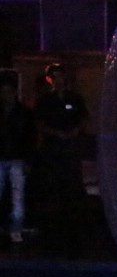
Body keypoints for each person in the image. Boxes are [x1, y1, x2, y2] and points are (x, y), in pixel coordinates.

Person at [34, 63, 90, 254]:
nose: (58, 80)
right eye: (54, 77)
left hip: (71, 149)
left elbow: (83, 118)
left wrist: (75, 131)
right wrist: (56, 133)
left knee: (73, 185)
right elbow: (40, 123)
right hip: (53, 149)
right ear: (50, 79)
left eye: (60, 76)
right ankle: (54, 228)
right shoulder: (44, 101)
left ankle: (75, 226)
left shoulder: (75, 98)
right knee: (53, 186)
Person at [0, 71, 36, 243]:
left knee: (17, 194)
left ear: (14, 92)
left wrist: (28, 160)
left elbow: (30, 138)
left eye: (8, 92)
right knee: (13, 194)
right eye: (3, 92)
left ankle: (16, 227)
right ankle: (11, 226)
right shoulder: (11, 112)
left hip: (16, 158)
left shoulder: (24, 113)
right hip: (3, 157)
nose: (6, 96)